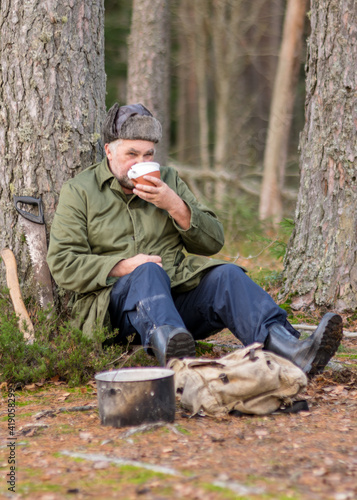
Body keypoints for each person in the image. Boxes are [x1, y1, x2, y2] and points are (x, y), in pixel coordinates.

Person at [47, 103, 343, 375]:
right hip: (119, 315)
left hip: (177, 301)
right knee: (147, 271)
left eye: (148, 155)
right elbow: (62, 264)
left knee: (227, 275)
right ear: (109, 150)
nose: (141, 162)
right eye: (132, 154)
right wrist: (123, 266)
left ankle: (292, 350)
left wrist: (175, 204)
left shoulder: (168, 181)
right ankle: (181, 364)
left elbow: (213, 241)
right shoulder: (80, 191)